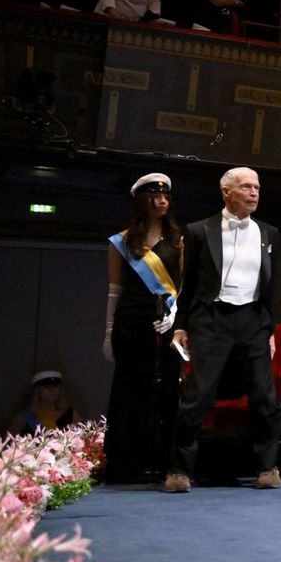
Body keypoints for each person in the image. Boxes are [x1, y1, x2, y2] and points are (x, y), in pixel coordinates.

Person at [165, 167, 281, 493]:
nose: (254, 192)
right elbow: (187, 285)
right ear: (226, 192)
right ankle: (179, 470)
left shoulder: (268, 233)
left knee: (264, 396)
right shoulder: (199, 231)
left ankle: (267, 467)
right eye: (246, 187)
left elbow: (271, 286)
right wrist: (180, 325)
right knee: (198, 396)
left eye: (257, 187)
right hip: (212, 320)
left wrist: (269, 329)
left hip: (253, 321)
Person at [102, 173, 181, 483]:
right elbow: (114, 290)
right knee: (129, 392)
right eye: (155, 196)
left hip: (164, 323)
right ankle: (126, 464)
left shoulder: (177, 240)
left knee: (164, 394)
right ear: (142, 201)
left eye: (165, 196)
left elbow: (183, 286)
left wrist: (175, 315)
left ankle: (161, 463)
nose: (162, 201)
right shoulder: (122, 242)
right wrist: (108, 331)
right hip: (131, 322)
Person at [6, 372, 73, 437]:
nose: (51, 390)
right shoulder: (22, 418)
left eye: (54, 386)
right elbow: (8, 445)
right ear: (37, 391)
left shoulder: (70, 415)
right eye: (46, 387)